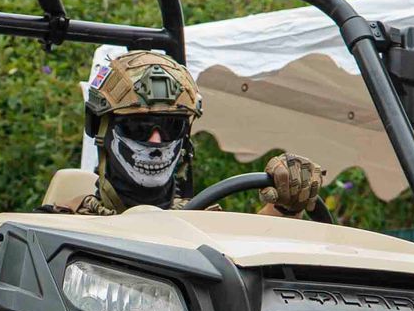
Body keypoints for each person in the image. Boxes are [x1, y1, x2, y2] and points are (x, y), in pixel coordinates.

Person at [68, 51, 324, 216]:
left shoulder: (205, 224)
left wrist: (286, 203)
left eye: (171, 127)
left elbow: (259, 246)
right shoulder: (63, 230)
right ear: (100, 129)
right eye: (139, 127)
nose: (156, 141)